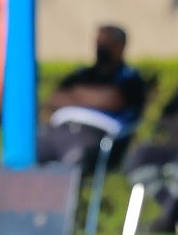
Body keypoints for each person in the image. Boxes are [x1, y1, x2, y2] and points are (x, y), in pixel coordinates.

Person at [36, 24, 147, 173]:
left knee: (73, 160)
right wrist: (92, 96)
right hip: (60, 130)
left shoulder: (130, 78)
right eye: (98, 42)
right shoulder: (80, 75)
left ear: (120, 46)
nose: (100, 47)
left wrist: (76, 95)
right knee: (27, 151)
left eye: (105, 43)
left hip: (97, 138)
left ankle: (67, 196)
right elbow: (56, 98)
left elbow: (113, 100)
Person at [123, 60, 178, 234]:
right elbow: (162, 124)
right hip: (175, 148)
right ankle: (173, 211)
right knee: (140, 158)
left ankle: (169, 216)